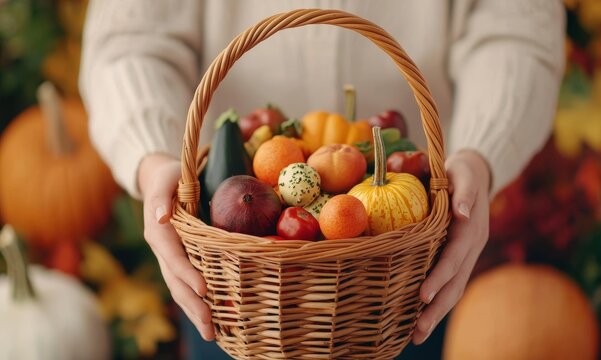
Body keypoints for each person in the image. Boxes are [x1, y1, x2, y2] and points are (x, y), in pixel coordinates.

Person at [80, 0, 565, 358]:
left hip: (404, 267)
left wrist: (480, 155)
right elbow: (129, 41)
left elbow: (515, 28)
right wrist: (155, 162)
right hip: (234, 277)